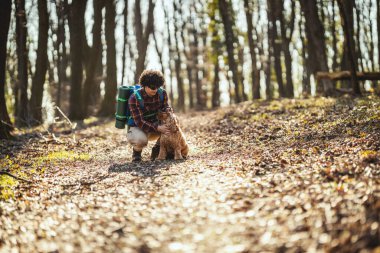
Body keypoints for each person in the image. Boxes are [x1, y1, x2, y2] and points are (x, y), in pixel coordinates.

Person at [127, 70, 172, 162]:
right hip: (139, 127)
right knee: (140, 140)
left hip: (156, 125)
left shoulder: (162, 93)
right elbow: (139, 122)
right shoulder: (134, 98)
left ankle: (157, 149)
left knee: (171, 128)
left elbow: (166, 107)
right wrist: (158, 128)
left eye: (158, 87)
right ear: (144, 85)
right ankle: (136, 152)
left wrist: (168, 111)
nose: (155, 90)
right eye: (152, 87)